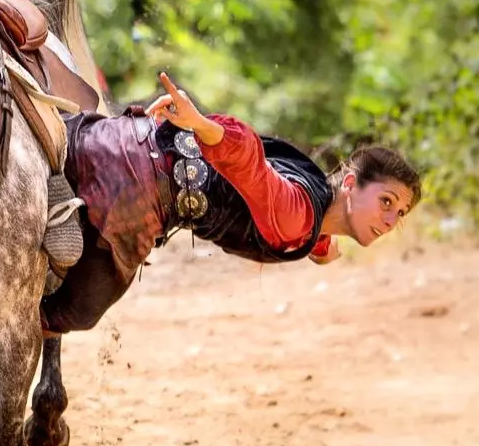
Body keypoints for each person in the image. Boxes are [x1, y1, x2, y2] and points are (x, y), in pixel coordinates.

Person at [42, 72, 421, 335]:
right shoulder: (298, 216)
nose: (390, 220)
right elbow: (250, 165)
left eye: (400, 213)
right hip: (129, 187)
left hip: (126, 141)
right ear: (351, 184)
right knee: (76, 313)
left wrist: (321, 245)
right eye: (386, 201)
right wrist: (203, 124)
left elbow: (291, 209)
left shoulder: (314, 201)